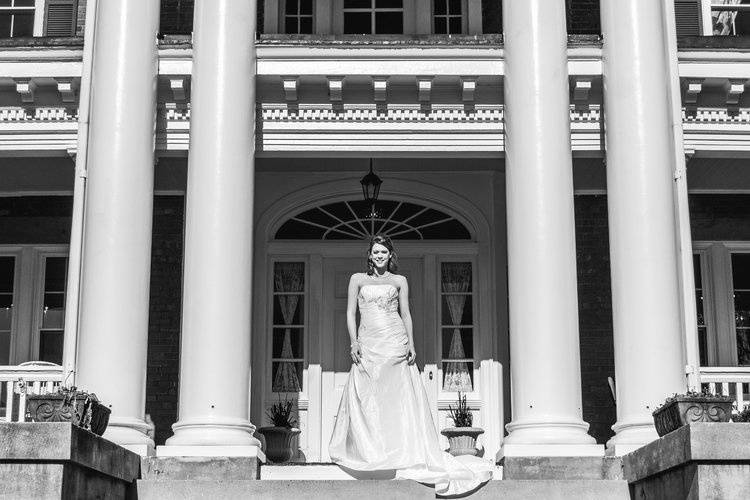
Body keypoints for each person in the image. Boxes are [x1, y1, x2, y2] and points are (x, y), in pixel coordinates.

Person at [328, 235, 493, 496]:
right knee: (368, 394)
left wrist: (412, 344)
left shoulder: (399, 281)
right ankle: (371, 450)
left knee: (397, 395)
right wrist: (353, 342)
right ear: (369, 255)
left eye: (384, 251)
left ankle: (400, 448)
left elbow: (405, 313)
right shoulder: (357, 279)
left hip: (395, 340)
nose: (380, 255)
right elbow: (351, 312)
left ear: (390, 255)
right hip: (369, 343)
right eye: (376, 252)